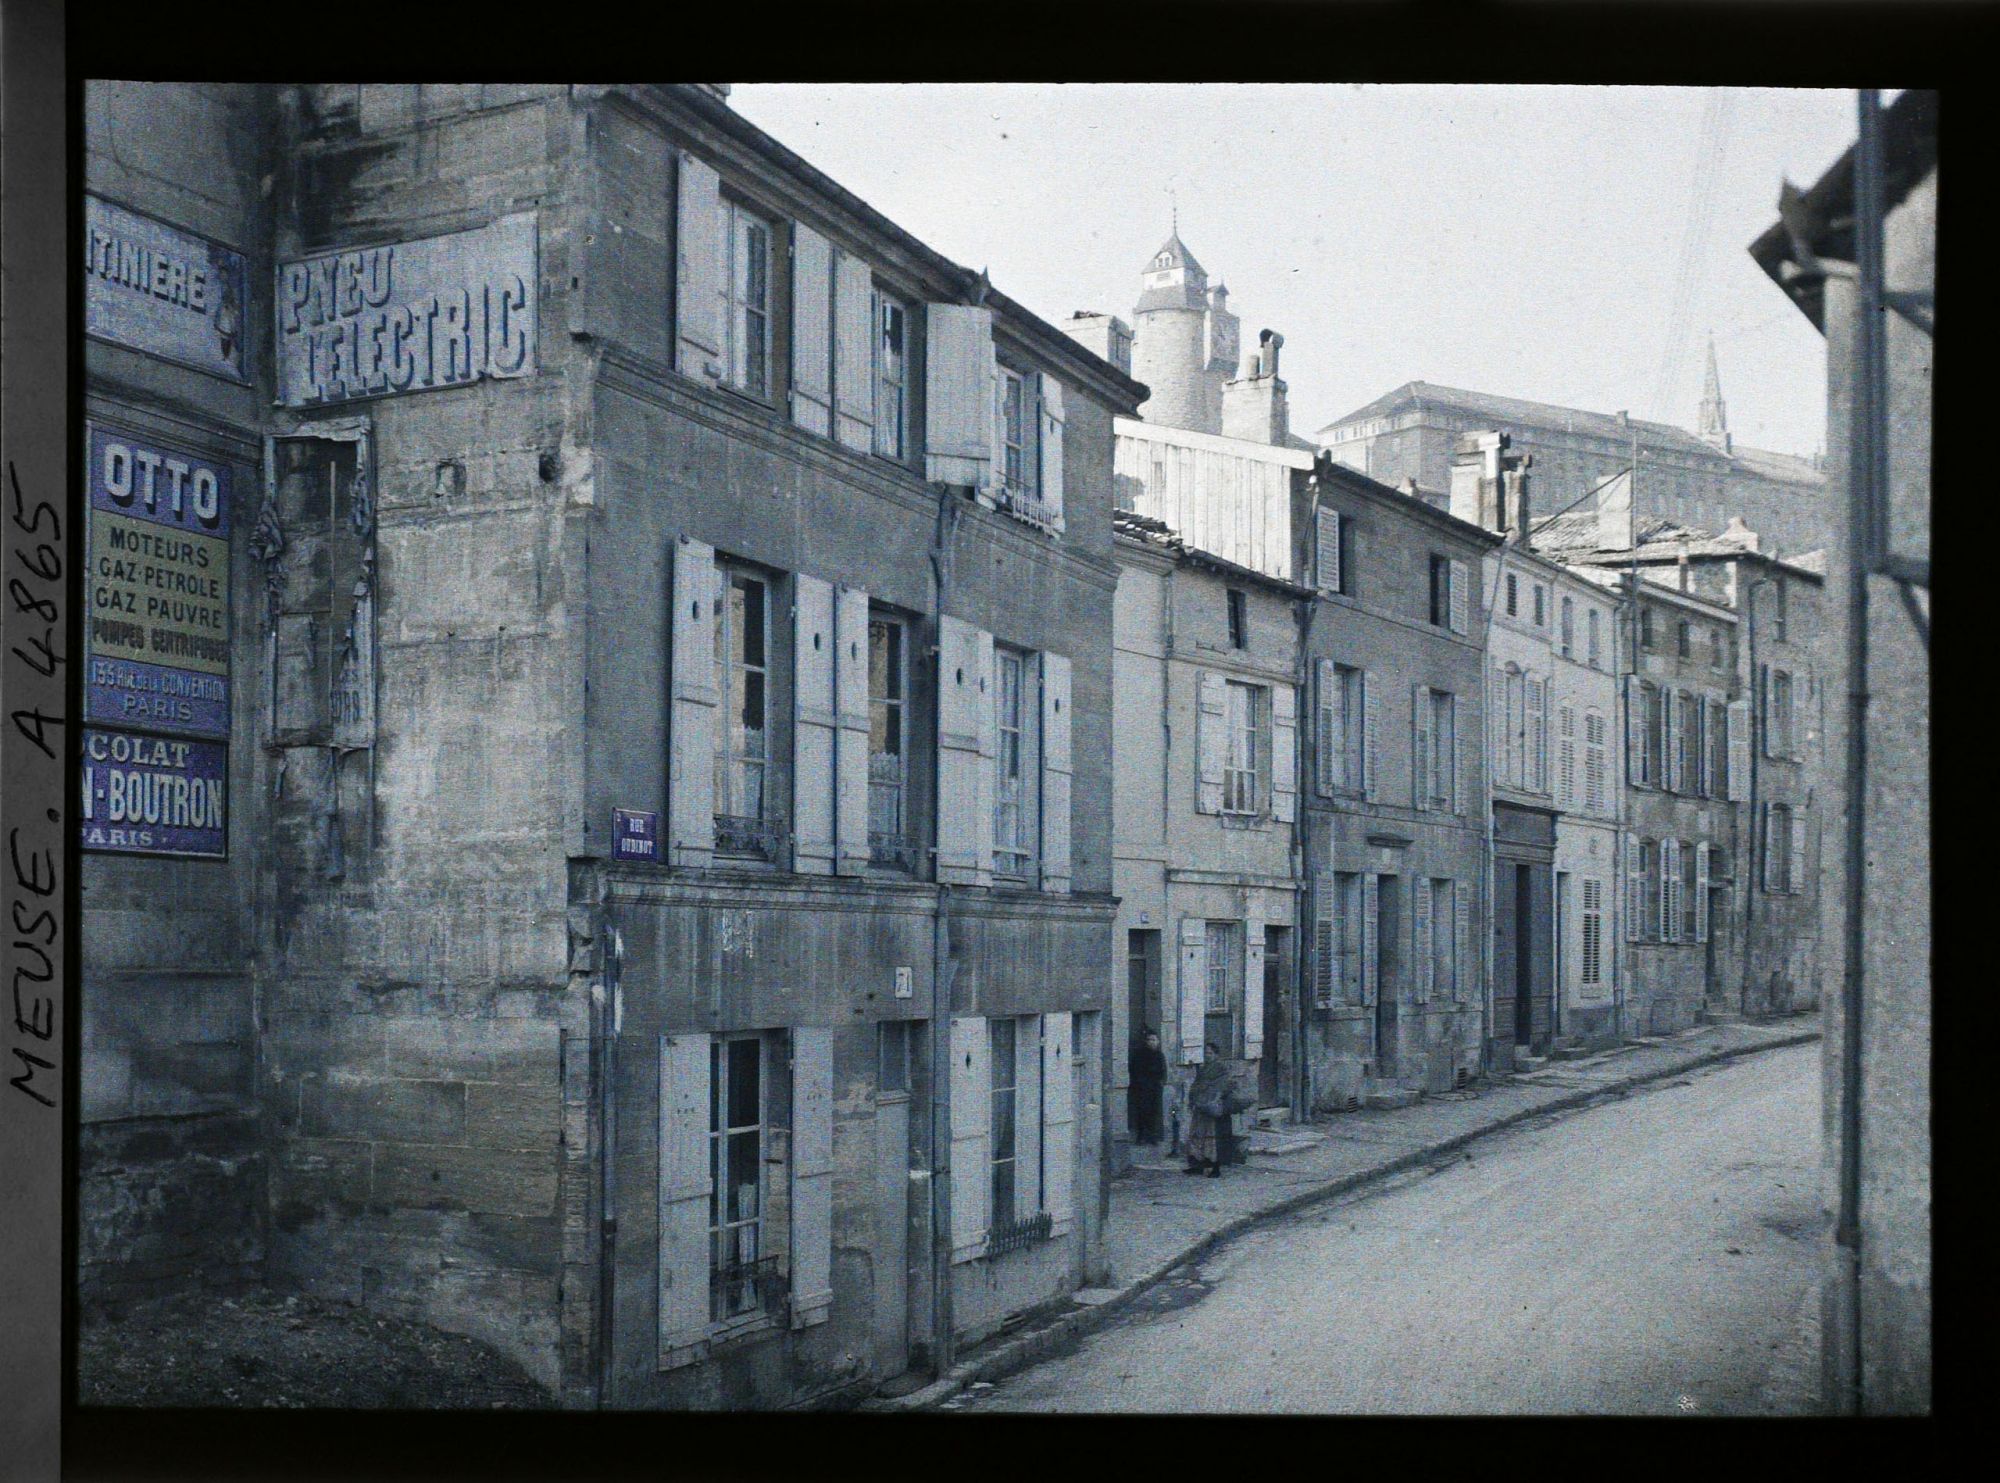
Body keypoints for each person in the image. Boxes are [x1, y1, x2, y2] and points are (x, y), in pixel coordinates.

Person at [1182, 1046, 1238, 1178]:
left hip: (1214, 1109)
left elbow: (1224, 1086)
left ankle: (1215, 1167)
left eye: (1210, 1053)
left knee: (1213, 1139)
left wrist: (1211, 1095)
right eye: (1205, 1053)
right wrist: (1194, 1099)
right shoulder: (1202, 1069)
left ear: (1216, 1055)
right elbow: (1196, 1085)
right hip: (1201, 1108)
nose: (1207, 1056)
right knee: (1197, 1136)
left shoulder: (1222, 1069)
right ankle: (1197, 1165)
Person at [1129, 1029, 1167, 1146]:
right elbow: (1134, 1069)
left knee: (1154, 1112)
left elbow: (1163, 1070)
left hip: (1155, 1088)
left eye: (1154, 1040)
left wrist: (1161, 1082)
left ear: (1158, 1041)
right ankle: (1140, 1135)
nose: (1152, 1042)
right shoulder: (1139, 1054)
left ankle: (1152, 1135)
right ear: (1146, 1041)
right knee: (1141, 1111)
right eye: (1149, 1040)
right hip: (1142, 1087)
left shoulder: (1159, 1055)